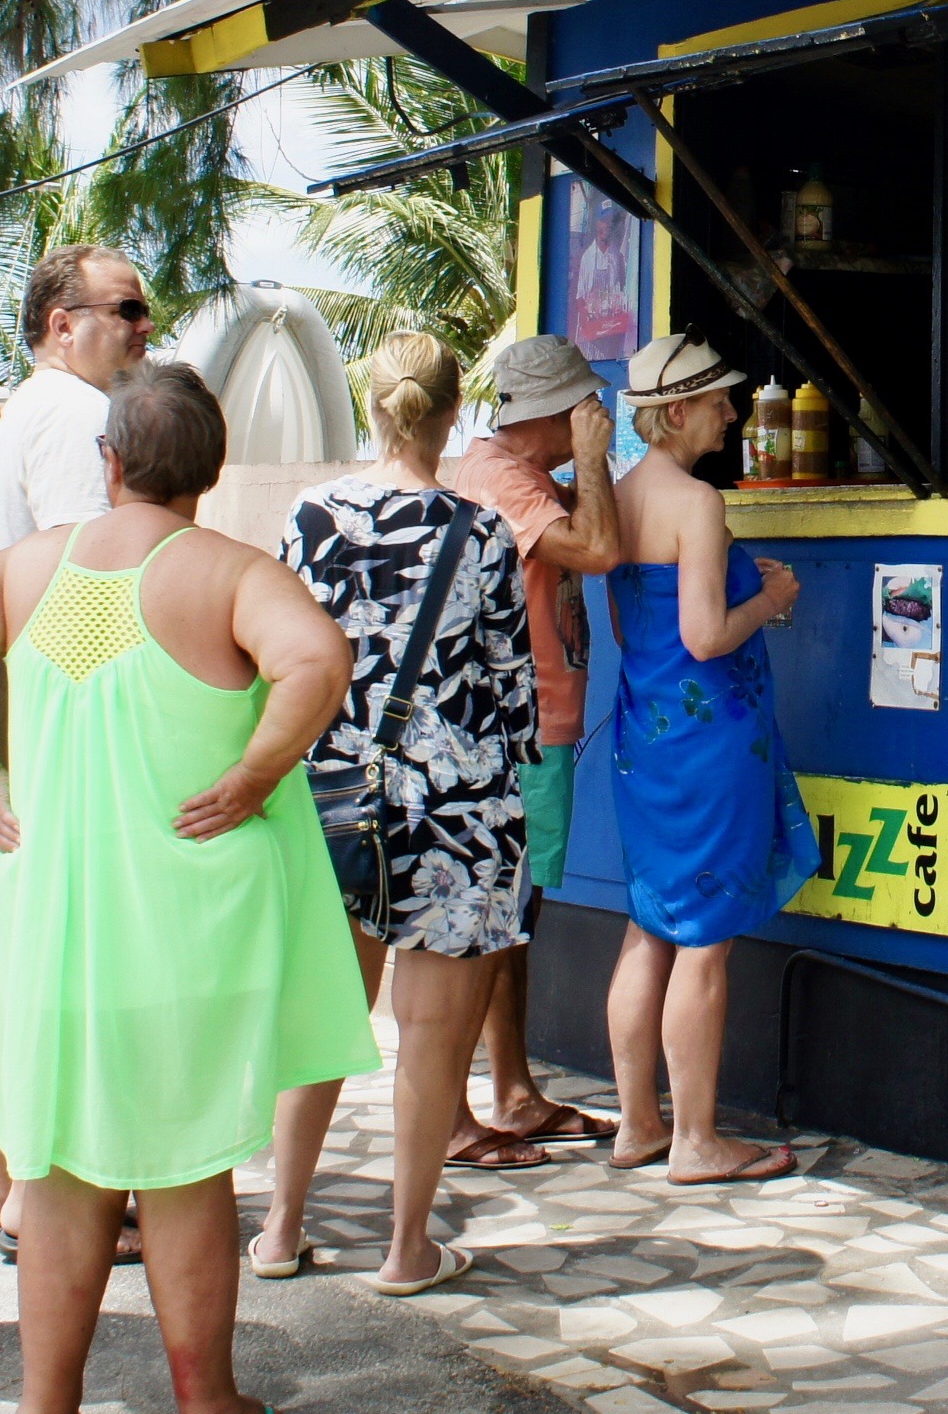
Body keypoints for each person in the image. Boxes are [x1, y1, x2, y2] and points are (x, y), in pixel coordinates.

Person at [0, 362, 370, 1414]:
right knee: (184, 1174)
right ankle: (205, 1398)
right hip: (187, 928)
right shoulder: (228, 572)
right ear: (211, 466)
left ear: (110, 461)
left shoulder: (27, 570)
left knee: (54, 1176)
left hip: (54, 924)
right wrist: (254, 772)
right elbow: (317, 659)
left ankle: (48, 1400)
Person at [254, 332, 539, 1293]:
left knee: (322, 1023)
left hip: (333, 797)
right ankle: (406, 1249)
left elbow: (279, 653)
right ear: (454, 412)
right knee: (431, 1039)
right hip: (455, 811)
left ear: (373, 405)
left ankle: (281, 1230)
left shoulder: (307, 518)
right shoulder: (482, 531)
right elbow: (512, 691)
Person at [0, 243, 156, 1258]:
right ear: (59, 322)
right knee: (59, 962)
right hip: (53, 726)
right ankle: (50, 1189)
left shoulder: (25, 416)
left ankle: (3, 1179)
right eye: (125, 307)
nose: (143, 326)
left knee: (4, 957)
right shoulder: (81, 419)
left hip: (3, 719)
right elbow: (92, 586)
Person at [602, 333, 817, 1185]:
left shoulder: (615, 498)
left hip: (645, 740)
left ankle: (638, 1125)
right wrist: (768, 597)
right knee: (706, 945)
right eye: (722, 400)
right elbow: (702, 636)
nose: (733, 413)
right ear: (678, 411)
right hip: (711, 746)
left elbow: (636, 629)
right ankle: (696, 1140)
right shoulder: (697, 502)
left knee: (649, 923)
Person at [446, 332, 627, 1159]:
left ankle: (512, 1092)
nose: (597, 413)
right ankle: (453, 1111)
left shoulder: (514, 477)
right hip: (521, 727)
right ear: (550, 413)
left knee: (513, 916)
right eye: (583, 404)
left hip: (530, 723)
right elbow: (596, 547)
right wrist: (596, 456)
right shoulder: (502, 481)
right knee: (495, 919)